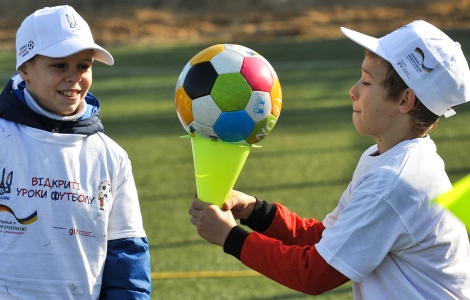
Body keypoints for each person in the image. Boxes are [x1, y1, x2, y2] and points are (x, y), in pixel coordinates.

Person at [189, 20, 470, 299]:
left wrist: (230, 237)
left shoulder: (397, 181)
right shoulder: (389, 159)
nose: (354, 90)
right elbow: (325, 238)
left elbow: (314, 273)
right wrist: (255, 211)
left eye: (367, 81)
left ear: (404, 100)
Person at [0, 5, 151, 299]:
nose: (74, 77)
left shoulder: (110, 156)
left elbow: (127, 257)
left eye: (83, 66)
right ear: (24, 69)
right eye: (59, 66)